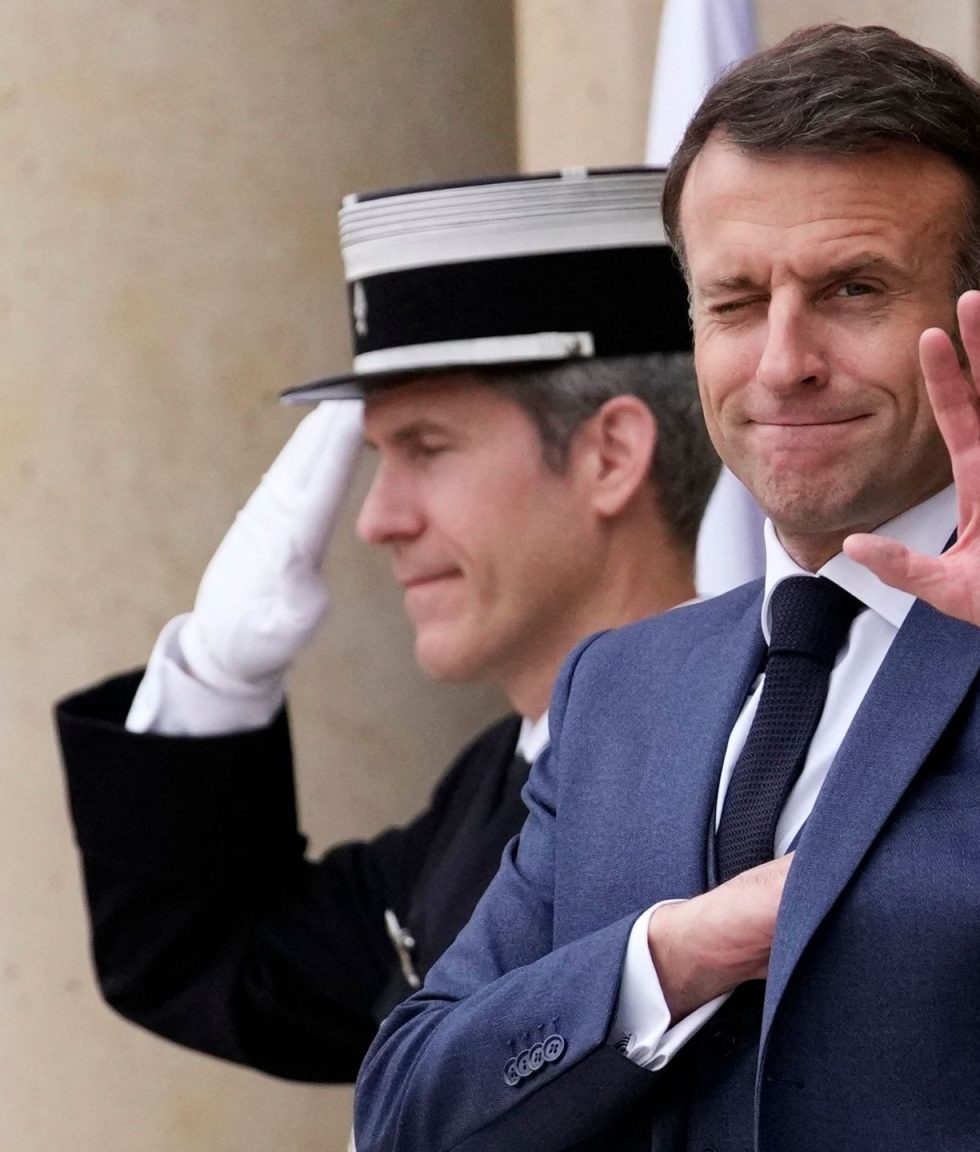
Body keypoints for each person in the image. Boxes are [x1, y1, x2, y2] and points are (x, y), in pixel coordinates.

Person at [354, 25, 980, 1152]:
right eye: (735, 301)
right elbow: (407, 1110)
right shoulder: (620, 686)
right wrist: (675, 955)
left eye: (853, 289)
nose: (783, 361)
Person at [53, 168, 720, 1083]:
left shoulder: (725, 782)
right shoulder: (503, 775)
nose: (377, 520)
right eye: (378, 454)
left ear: (609, 455)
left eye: (427, 449)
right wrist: (216, 675)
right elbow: (212, 964)